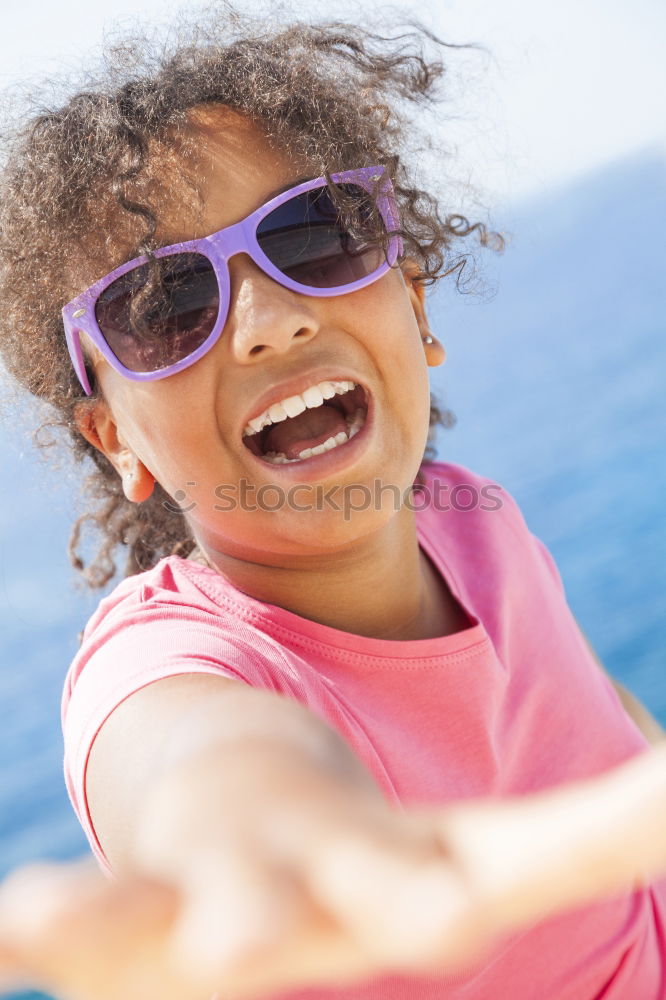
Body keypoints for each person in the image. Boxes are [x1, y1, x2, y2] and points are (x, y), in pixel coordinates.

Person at [0, 8, 664, 999]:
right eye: (165, 307)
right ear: (119, 445)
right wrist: (277, 825)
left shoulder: (473, 514)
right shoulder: (172, 661)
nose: (268, 321)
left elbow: (600, 721)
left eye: (313, 235)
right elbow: (197, 759)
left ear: (418, 308)